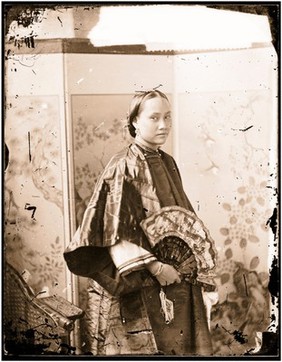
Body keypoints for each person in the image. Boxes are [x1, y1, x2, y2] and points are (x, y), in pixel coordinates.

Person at [64, 89, 217, 356]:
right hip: (140, 279)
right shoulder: (123, 165)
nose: (164, 125)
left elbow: (183, 223)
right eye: (154, 117)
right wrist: (158, 268)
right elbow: (115, 234)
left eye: (168, 117)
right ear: (135, 121)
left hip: (176, 280)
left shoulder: (167, 161)